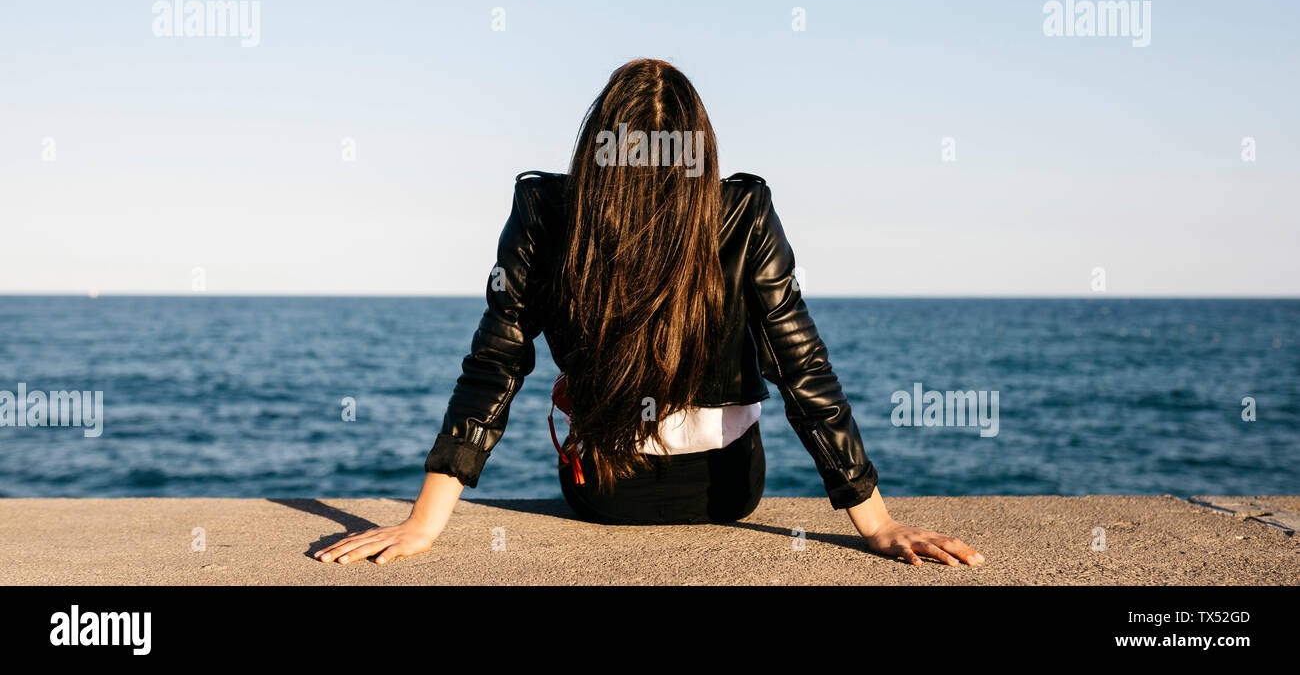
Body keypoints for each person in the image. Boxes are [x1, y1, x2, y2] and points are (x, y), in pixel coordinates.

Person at [314, 59, 984, 568]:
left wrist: (425, 523)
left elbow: (496, 365)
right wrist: (876, 524)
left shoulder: (547, 215)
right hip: (727, 494)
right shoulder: (743, 213)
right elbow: (803, 372)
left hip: (603, 494)